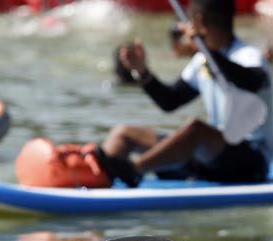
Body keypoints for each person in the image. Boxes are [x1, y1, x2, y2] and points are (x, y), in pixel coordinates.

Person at [95, 0, 272, 186]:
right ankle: (97, 175)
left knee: (196, 130)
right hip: (211, 158)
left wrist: (211, 55)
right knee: (123, 133)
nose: (182, 27)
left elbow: (252, 82)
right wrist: (142, 72)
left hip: (251, 162)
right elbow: (170, 101)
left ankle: (134, 170)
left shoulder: (248, 55)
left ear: (199, 21)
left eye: (185, 21)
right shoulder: (201, 60)